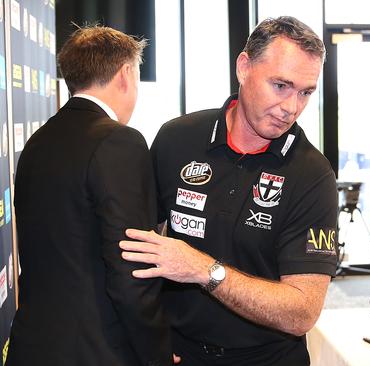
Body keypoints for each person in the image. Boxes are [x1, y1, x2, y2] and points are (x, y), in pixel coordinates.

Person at [118, 17, 337, 366]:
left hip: (268, 359)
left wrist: (204, 269)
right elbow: (135, 244)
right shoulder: (177, 139)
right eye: (281, 85)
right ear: (244, 67)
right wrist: (150, 334)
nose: (292, 107)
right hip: (178, 353)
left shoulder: (312, 175)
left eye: (306, 92)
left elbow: (302, 312)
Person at [6, 26, 172, 366]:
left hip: (32, 345)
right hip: (98, 351)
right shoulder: (120, 142)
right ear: (126, 74)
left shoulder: (38, 142)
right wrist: (158, 352)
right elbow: (132, 274)